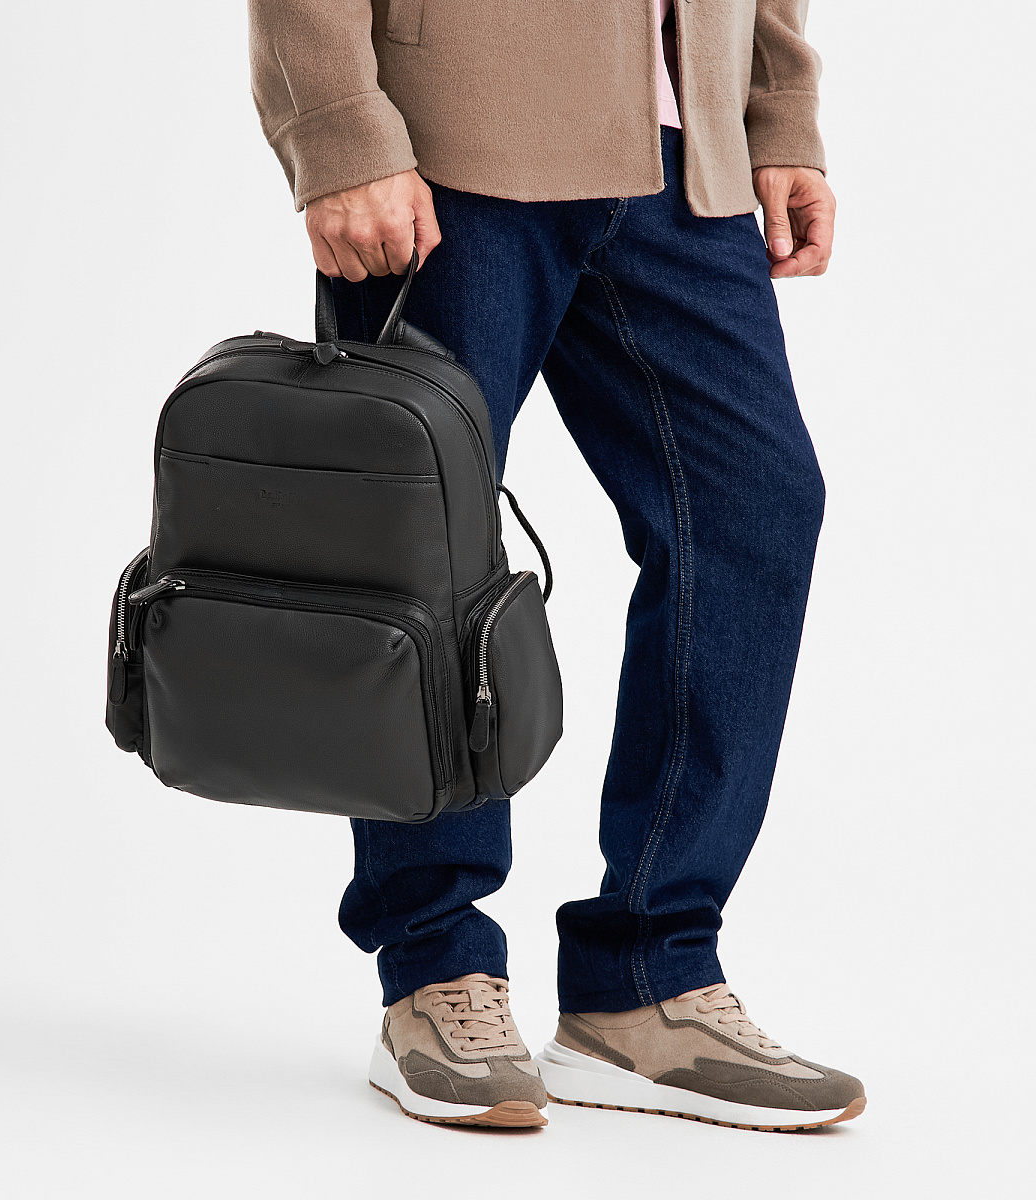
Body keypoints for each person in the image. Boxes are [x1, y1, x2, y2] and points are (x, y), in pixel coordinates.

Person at [247, 0, 865, 1131]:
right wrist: (336, 128)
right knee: (419, 538)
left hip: (686, 154)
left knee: (756, 510)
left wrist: (776, 105)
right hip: (455, 142)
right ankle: (435, 967)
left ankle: (647, 983)